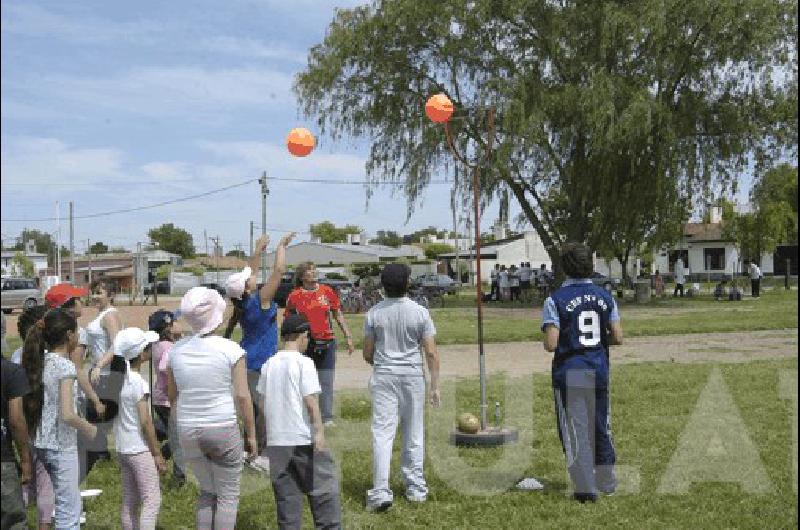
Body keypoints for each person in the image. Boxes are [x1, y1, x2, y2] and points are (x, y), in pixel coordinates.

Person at [167, 287, 258, 530]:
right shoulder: (231, 350)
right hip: (221, 426)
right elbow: (242, 396)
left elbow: (172, 395)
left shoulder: (176, 350)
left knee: (207, 492)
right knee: (228, 496)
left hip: (188, 428)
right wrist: (251, 434)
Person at [541, 243, 623, 503]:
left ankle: (586, 488)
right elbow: (618, 337)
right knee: (600, 424)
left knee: (577, 429)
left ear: (565, 267)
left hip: (571, 371)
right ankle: (607, 479)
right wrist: (598, 342)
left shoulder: (555, 300)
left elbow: (551, 344)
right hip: (598, 368)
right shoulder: (605, 296)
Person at [363, 263, 441, 512]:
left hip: (384, 375)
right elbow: (431, 352)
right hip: (412, 376)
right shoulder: (420, 312)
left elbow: (368, 352)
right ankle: (416, 487)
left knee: (383, 434)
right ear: (407, 283)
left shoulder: (374, 313)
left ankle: (380, 490)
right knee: (414, 432)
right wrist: (435, 386)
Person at [258, 314, 342, 529]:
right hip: (302, 438)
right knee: (323, 491)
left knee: (287, 498)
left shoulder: (268, 364)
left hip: (277, 441)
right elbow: (311, 402)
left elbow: (262, 404)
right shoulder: (304, 363)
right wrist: (320, 434)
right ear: (303, 336)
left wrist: (263, 439)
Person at [224, 232, 294, 471]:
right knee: (264, 411)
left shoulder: (243, 301)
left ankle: (248, 450)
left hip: (246, 359)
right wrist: (281, 247)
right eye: (248, 279)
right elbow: (278, 272)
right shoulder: (260, 300)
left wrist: (257, 250)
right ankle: (260, 455)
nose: (252, 277)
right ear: (245, 289)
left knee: (251, 409)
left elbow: (249, 273)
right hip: (261, 362)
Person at [23, 308, 98, 528]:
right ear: (69, 336)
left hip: (41, 442)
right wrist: (89, 428)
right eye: (77, 333)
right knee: (69, 510)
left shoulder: (42, 361)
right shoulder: (65, 367)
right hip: (61, 445)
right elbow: (67, 414)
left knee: (59, 499)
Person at [285, 262, 355, 427]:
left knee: (326, 380)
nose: (314, 272)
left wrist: (348, 336)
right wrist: (289, 342)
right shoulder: (295, 295)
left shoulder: (327, 291)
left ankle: (327, 417)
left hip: (327, 342)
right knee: (304, 381)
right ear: (302, 277)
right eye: (309, 270)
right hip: (306, 344)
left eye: (314, 269)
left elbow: (338, 314)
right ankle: (304, 414)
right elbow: (288, 321)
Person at [112, 328, 165, 530]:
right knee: (152, 499)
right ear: (141, 354)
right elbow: (146, 422)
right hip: (139, 449)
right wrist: (157, 453)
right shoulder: (138, 383)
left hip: (122, 448)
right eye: (148, 347)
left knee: (130, 501)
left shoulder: (117, 380)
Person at [12, 306, 55, 529]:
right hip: (48, 433)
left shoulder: (17, 357)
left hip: (25, 430)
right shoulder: (53, 360)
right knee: (46, 489)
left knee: (26, 484)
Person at [83, 278, 124, 478]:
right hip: (97, 372)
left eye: (100, 292)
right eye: (94, 292)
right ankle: (100, 455)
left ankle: (101, 457)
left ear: (111, 295)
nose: (95, 296)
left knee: (98, 416)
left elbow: (117, 345)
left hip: (106, 374)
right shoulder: (101, 314)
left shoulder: (110, 315)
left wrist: (99, 365)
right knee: (95, 416)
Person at [148, 309, 185, 487]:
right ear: (168, 328)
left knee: (170, 432)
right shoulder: (169, 348)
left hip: (159, 398)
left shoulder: (157, 345)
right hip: (168, 399)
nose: (179, 324)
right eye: (174, 322)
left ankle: (153, 454)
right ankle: (178, 479)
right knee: (180, 440)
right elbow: (165, 367)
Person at [2, 353, 33, 530]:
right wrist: (26, 459)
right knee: (13, 522)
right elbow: (16, 420)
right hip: (3, 461)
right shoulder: (11, 371)